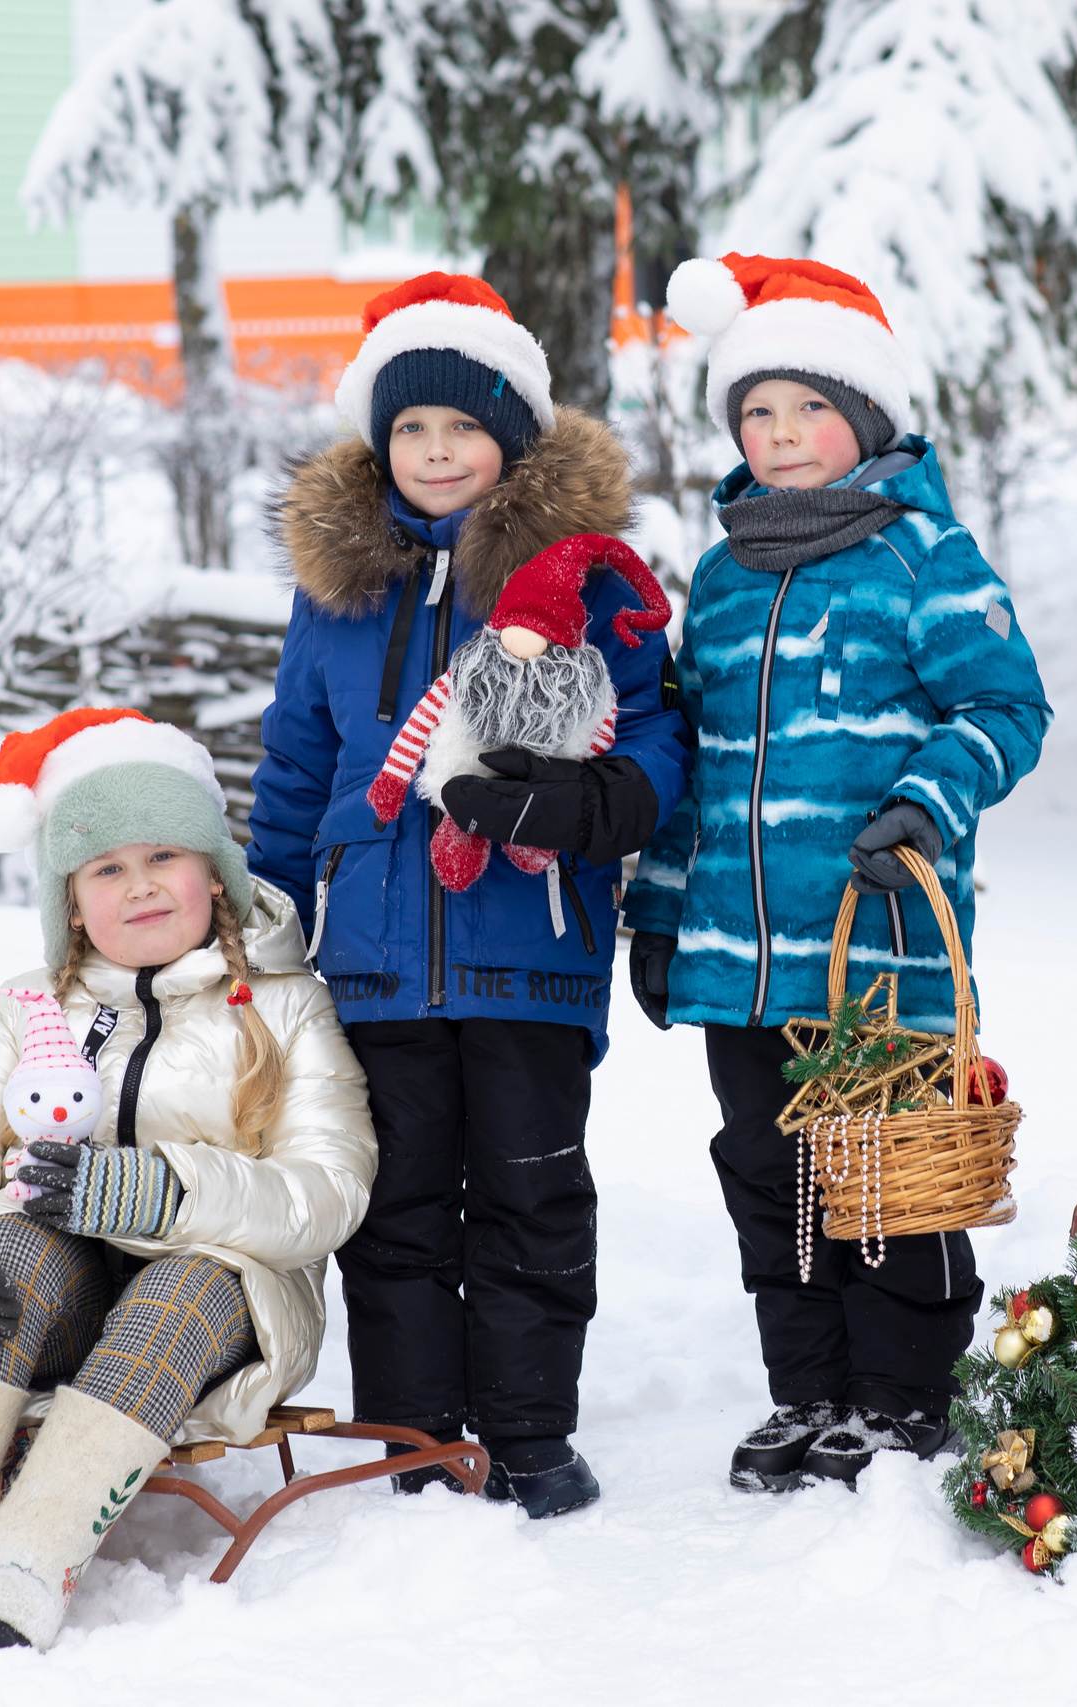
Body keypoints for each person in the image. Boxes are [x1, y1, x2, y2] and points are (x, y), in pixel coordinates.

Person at [249, 273, 690, 1519]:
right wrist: (272, 915)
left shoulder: (589, 576)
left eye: (462, 428)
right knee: (393, 1205)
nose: (437, 452)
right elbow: (294, 764)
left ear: (513, 436)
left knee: (530, 1190)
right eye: (411, 431)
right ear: (380, 444)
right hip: (374, 957)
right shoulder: (339, 588)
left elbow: (656, 731)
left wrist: (601, 809)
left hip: (532, 945)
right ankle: (410, 1438)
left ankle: (529, 1431)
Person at [622, 254, 1053, 1494]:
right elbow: (692, 762)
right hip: (738, 955)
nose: (780, 434)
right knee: (769, 1175)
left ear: (862, 418)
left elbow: (1004, 708)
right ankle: (806, 1390)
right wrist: (658, 917)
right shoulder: (717, 575)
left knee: (883, 1173)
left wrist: (922, 801)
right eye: (755, 413)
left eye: (806, 408)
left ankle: (904, 1396)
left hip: (875, 942)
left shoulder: (926, 555)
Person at [0, 707, 375, 1649]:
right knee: (2, 1244)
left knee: (179, 1284)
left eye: (163, 855)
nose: (139, 887)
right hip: (65, 1300)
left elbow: (330, 1185)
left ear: (215, 873)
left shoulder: (289, 1006)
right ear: (72, 902)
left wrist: (169, 1189)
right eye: (106, 868)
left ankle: (28, 1555)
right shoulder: (29, 1010)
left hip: (227, 1300)